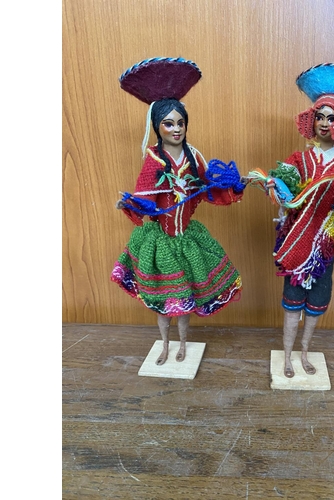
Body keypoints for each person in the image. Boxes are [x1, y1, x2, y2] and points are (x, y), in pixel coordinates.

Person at [246, 64, 334, 379]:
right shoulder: (299, 160)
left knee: (316, 302)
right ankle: (289, 356)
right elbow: (282, 185)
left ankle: (305, 351)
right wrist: (274, 186)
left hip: (324, 248)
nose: (323, 123)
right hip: (295, 243)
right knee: (292, 304)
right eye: (319, 115)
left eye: (330, 117)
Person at [111, 58, 245, 365]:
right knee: (162, 305)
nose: (175, 129)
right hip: (160, 242)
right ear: (158, 126)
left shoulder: (193, 156)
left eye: (180, 123)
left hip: (188, 239)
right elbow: (143, 201)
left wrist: (233, 186)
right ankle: (164, 344)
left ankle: (183, 343)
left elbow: (210, 191)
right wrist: (129, 204)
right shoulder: (153, 161)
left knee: (184, 304)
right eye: (168, 123)